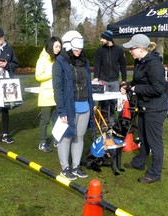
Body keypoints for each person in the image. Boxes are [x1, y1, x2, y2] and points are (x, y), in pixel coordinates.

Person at [120, 34, 168, 184]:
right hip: (144, 106)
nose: (130, 51)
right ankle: (139, 162)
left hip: (155, 108)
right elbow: (138, 80)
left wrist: (137, 88)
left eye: (132, 48)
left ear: (141, 49)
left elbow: (158, 88)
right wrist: (128, 85)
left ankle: (155, 173)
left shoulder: (154, 64)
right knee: (143, 137)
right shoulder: (139, 62)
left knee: (154, 141)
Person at [52, 30, 95, 180]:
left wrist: (91, 103)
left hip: (84, 106)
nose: (79, 51)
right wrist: (61, 111)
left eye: (80, 49)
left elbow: (88, 83)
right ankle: (65, 167)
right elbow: (58, 88)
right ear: (68, 46)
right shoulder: (60, 62)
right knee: (66, 137)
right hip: (69, 107)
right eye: (76, 49)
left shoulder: (84, 61)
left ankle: (76, 166)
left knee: (79, 137)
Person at [93, 30, 127, 126]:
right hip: (103, 80)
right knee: (103, 103)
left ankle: (111, 122)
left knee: (112, 103)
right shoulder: (99, 51)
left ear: (108, 39)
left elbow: (123, 65)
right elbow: (97, 65)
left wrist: (124, 79)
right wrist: (96, 77)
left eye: (103, 38)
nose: (101, 40)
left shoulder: (119, 50)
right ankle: (103, 122)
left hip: (115, 81)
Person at [35, 37, 62, 152]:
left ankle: (57, 139)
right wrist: (52, 74)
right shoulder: (42, 60)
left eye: (60, 47)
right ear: (51, 46)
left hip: (58, 94)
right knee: (45, 120)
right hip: (46, 95)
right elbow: (38, 76)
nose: (58, 49)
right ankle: (42, 142)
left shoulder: (59, 59)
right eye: (56, 46)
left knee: (58, 119)